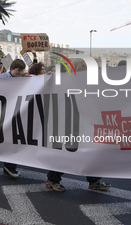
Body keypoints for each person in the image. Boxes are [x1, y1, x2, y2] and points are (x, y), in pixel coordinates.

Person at [45, 57, 111, 192]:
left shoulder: (90, 80)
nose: (87, 68)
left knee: (91, 151)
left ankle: (94, 180)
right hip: (69, 121)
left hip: (87, 121)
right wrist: (48, 78)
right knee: (66, 151)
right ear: (75, 67)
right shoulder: (64, 80)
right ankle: (52, 179)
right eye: (84, 66)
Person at [0, 59, 26, 178]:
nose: (20, 73)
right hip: (4, 113)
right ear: (12, 68)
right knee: (10, 141)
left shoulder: (21, 79)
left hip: (16, 113)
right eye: (18, 70)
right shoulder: (2, 77)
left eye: (21, 71)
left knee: (15, 141)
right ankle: (9, 167)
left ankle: (9, 167)